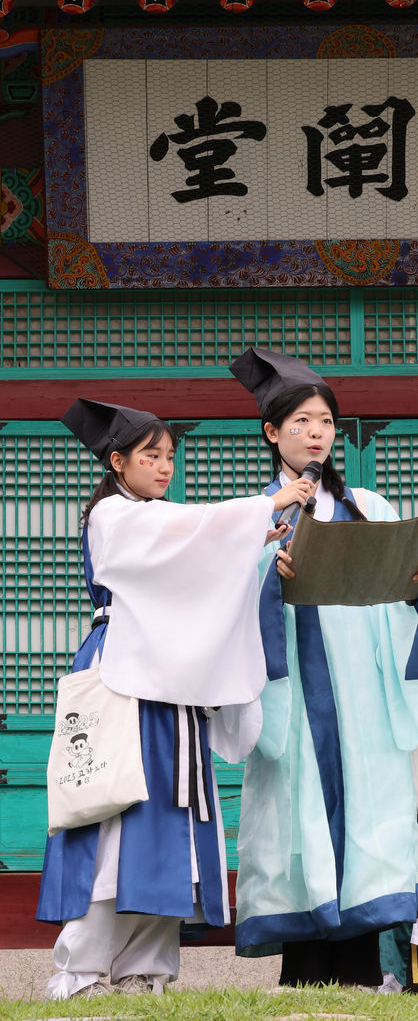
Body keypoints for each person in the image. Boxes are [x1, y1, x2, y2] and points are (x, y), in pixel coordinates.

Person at [36, 398, 314, 1000]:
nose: (164, 467)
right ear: (118, 462)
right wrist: (261, 507)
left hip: (171, 688)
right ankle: (81, 971)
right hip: (122, 680)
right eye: (151, 456)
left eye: (169, 456)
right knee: (114, 821)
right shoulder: (113, 515)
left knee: (172, 823)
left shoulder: (159, 516)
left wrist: (249, 544)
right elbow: (187, 533)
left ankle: (147, 969)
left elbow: (196, 554)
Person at [229, 347, 418, 987]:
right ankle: (302, 974)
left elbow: (413, 607)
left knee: (366, 822)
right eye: (300, 422)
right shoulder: (250, 517)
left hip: (362, 697)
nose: (316, 433)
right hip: (293, 697)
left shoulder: (372, 508)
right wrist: (267, 575)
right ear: (272, 433)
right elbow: (220, 602)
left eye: (325, 421)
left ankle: (361, 973)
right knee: (297, 824)